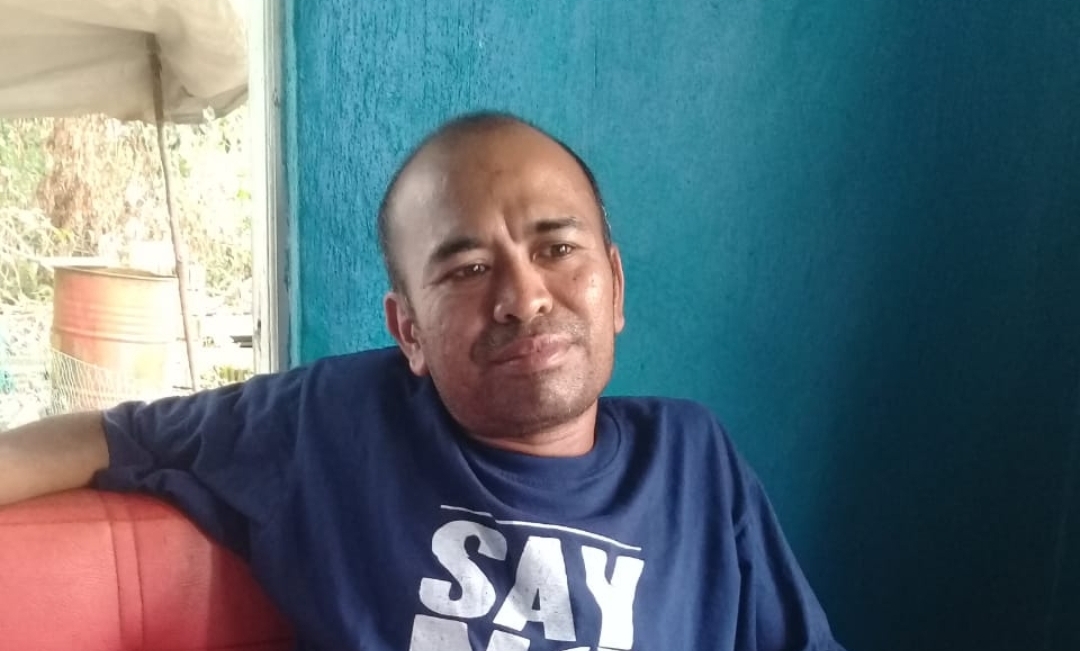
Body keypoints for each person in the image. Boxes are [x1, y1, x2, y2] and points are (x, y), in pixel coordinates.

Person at [0, 112, 846, 650]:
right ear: (408, 329)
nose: (523, 296)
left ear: (615, 287)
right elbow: (110, 436)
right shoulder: (333, 423)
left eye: (557, 248)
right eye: (469, 268)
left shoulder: (695, 461)